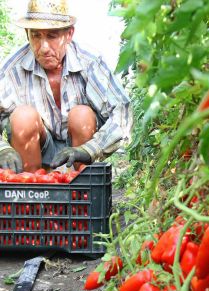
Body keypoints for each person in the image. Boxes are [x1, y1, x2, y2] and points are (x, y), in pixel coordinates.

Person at [0, 0, 132, 173]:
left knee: (81, 115)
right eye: (36, 36)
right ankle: (32, 190)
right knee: (23, 117)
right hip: (37, 148)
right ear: (27, 34)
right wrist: (3, 149)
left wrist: (88, 150)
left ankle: (82, 189)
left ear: (69, 34)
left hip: (80, 146)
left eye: (52, 36)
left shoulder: (89, 62)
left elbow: (122, 110)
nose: (44, 47)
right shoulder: (12, 68)